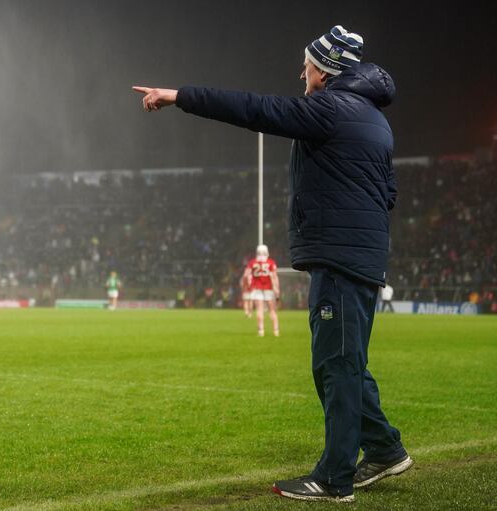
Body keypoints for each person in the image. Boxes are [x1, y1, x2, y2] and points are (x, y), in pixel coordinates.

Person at [133, 25, 411, 502]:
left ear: (323, 72)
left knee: (335, 367)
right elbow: (388, 193)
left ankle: (335, 478)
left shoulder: (328, 110)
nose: (301, 73)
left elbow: (254, 109)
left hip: (342, 259)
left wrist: (180, 96)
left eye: (307, 66)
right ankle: (385, 450)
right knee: (347, 363)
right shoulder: (373, 119)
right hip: (359, 255)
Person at [243, 245, 280, 337]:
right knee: (272, 311)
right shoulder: (271, 262)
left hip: (257, 289)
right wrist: (277, 289)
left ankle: (261, 331)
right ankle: (276, 331)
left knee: (259, 310)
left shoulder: (252, 262)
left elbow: (245, 275)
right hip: (269, 289)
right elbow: (275, 277)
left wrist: (246, 285)